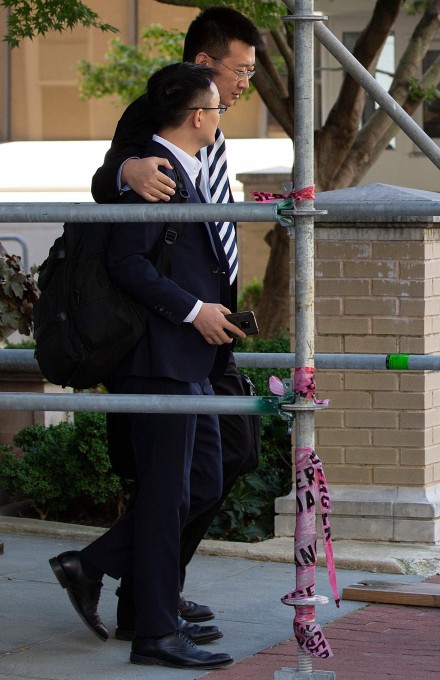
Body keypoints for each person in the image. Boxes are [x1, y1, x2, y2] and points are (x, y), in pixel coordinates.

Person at [49, 62, 243, 670]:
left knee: (201, 484)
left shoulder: (185, 171)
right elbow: (129, 263)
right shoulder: (155, 173)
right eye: (217, 107)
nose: (219, 117)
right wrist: (193, 312)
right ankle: (155, 633)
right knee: (166, 496)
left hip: (190, 358)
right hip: (160, 357)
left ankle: (97, 565)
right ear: (196, 116)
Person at [90, 6, 265, 637]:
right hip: (164, 338)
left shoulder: (209, 136)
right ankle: (145, 600)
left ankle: (139, 582)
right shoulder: (155, 121)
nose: (246, 83)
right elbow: (114, 207)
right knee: (175, 479)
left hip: (208, 335)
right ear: (203, 69)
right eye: (239, 70)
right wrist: (123, 172)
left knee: (218, 467)